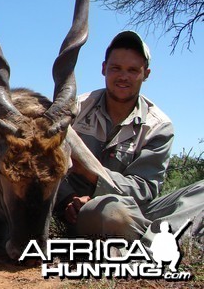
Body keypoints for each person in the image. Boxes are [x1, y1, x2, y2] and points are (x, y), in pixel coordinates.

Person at [56, 30, 203, 247]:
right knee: (111, 213)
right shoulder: (75, 109)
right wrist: (68, 199)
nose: (123, 76)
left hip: (135, 211)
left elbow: (143, 189)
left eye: (133, 70)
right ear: (104, 69)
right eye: (116, 68)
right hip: (84, 212)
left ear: (146, 74)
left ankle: (149, 239)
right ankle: (161, 242)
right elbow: (47, 167)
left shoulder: (159, 126)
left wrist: (92, 174)